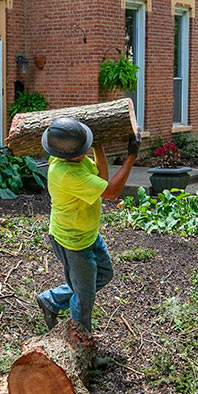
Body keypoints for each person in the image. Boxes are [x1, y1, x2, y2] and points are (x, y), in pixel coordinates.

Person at [36, 115, 138, 342]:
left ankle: (51, 300)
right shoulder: (67, 173)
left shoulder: (74, 160)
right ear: (74, 152)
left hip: (88, 234)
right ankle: (81, 347)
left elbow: (101, 177)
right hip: (73, 242)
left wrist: (97, 145)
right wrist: (131, 158)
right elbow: (111, 192)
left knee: (104, 274)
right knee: (84, 300)